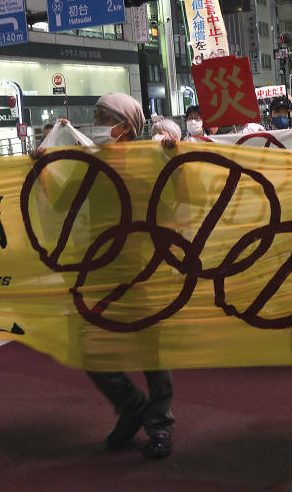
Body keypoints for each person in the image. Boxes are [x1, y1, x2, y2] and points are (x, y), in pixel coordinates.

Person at [84, 93, 176, 458]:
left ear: (126, 126)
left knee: (150, 352)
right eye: (97, 116)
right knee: (91, 350)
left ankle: (159, 424)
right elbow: (59, 201)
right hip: (97, 269)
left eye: (104, 117)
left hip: (142, 268)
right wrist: (41, 168)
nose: (98, 123)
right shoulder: (87, 162)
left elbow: (178, 200)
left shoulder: (149, 162)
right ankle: (132, 405)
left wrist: (173, 160)